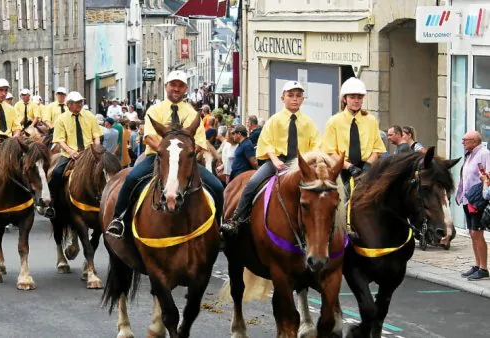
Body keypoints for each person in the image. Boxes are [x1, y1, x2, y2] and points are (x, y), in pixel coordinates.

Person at [106, 70, 224, 238]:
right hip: (156, 157)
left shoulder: (192, 113)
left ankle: (219, 226)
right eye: (173, 85)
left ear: (186, 89)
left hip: (185, 160)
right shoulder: (154, 110)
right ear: (166, 86)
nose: (176, 89)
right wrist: (167, 152)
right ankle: (119, 219)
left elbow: (199, 142)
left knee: (217, 186)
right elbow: (148, 137)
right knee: (131, 179)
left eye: (180, 86)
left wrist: (183, 154)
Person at [223, 81, 321, 234]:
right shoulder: (274, 120)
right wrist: (275, 160)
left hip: (301, 166)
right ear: (283, 98)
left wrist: (311, 163)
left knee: (323, 191)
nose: (294, 99)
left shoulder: (308, 123)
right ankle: (236, 219)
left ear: (302, 99)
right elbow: (266, 142)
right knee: (252, 183)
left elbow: (316, 144)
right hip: (277, 162)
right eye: (290, 95)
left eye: (298, 96)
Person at [322, 77, 385, 189]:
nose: (356, 101)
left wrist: (368, 165)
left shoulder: (371, 120)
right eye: (352, 97)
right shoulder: (334, 121)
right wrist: (349, 166)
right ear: (344, 99)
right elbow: (330, 151)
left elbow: (378, 149)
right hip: (342, 169)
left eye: (359, 97)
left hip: (366, 169)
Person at [48, 91, 102, 200]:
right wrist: (71, 152)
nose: (80, 104)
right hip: (69, 154)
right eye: (77, 102)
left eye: (81, 102)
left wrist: (96, 148)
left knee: (106, 170)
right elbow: (60, 140)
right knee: (56, 173)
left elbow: (96, 135)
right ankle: (53, 200)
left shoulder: (90, 116)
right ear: (69, 105)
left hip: (89, 152)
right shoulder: (61, 119)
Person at [457, 130, 490, 281]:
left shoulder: (484, 153)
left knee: (477, 234)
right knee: (472, 233)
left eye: (466, 140)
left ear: (475, 141)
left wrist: (485, 178)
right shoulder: (469, 154)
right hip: (467, 199)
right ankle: (477, 265)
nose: (463, 142)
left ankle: (483, 268)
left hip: (477, 200)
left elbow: (488, 175)